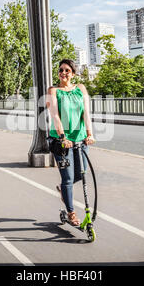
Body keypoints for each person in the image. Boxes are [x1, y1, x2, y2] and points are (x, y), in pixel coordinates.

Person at [46, 59, 96, 226]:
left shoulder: (80, 89)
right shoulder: (53, 90)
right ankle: (71, 213)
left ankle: (62, 190)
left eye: (67, 70)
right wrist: (62, 137)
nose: (63, 73)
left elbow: (86, 114)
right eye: (61, 70)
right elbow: (55, 115)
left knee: (80, 174)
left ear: (73, 73)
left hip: (80, 138)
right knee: (67, 178)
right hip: (61, 141)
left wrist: (90, 134)